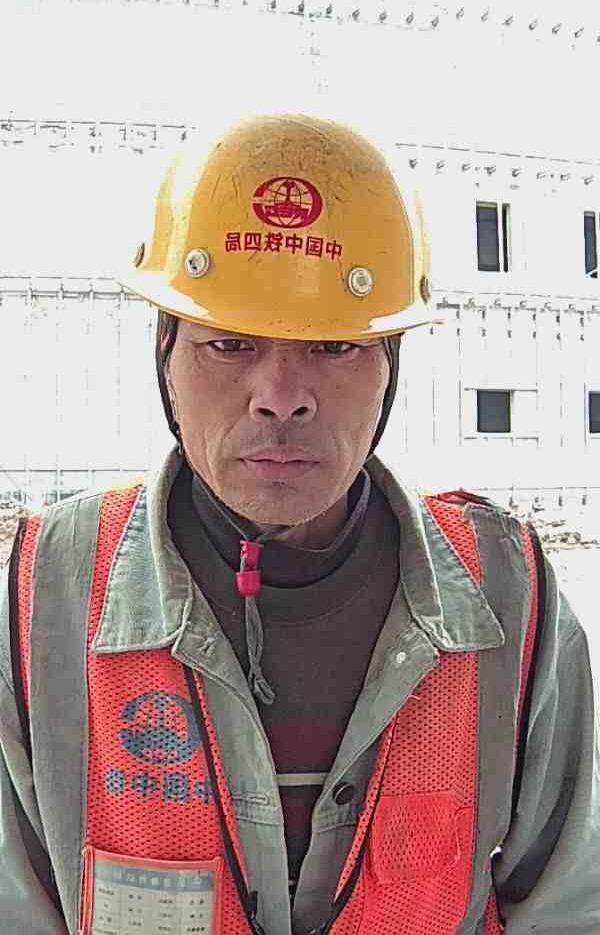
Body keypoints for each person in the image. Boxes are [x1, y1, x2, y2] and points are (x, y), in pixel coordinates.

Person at [0, 114, 598, 935]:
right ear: (166, 356)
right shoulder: (45, 597)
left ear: (391, 366)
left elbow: (570, 906)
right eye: (230, 345)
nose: (281, 398)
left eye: (334, 347)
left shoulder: (509, 596)